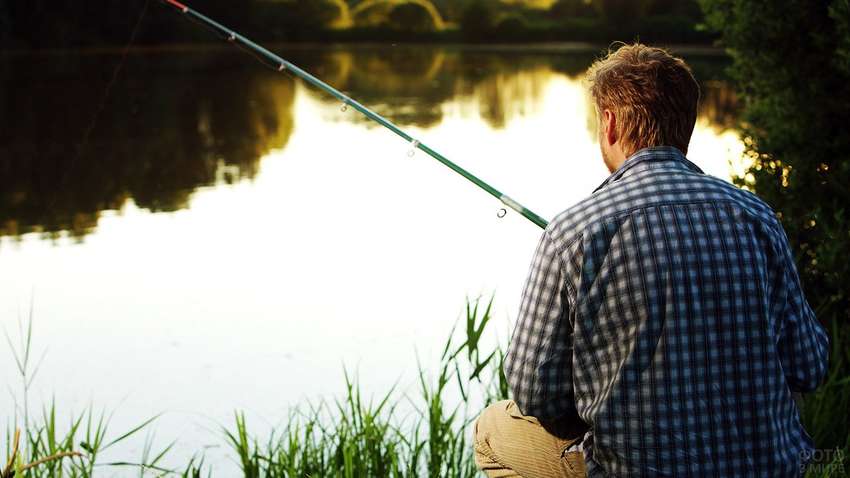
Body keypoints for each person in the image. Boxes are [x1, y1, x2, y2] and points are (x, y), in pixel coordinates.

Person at [473, 43, 830, 477]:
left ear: (609, 124)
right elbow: (809, 365)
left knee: (492, 430)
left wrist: (589, 411)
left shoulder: (573, 231)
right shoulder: (757, 216)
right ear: (687, 125)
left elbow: (534, 391)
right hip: (765, 469)